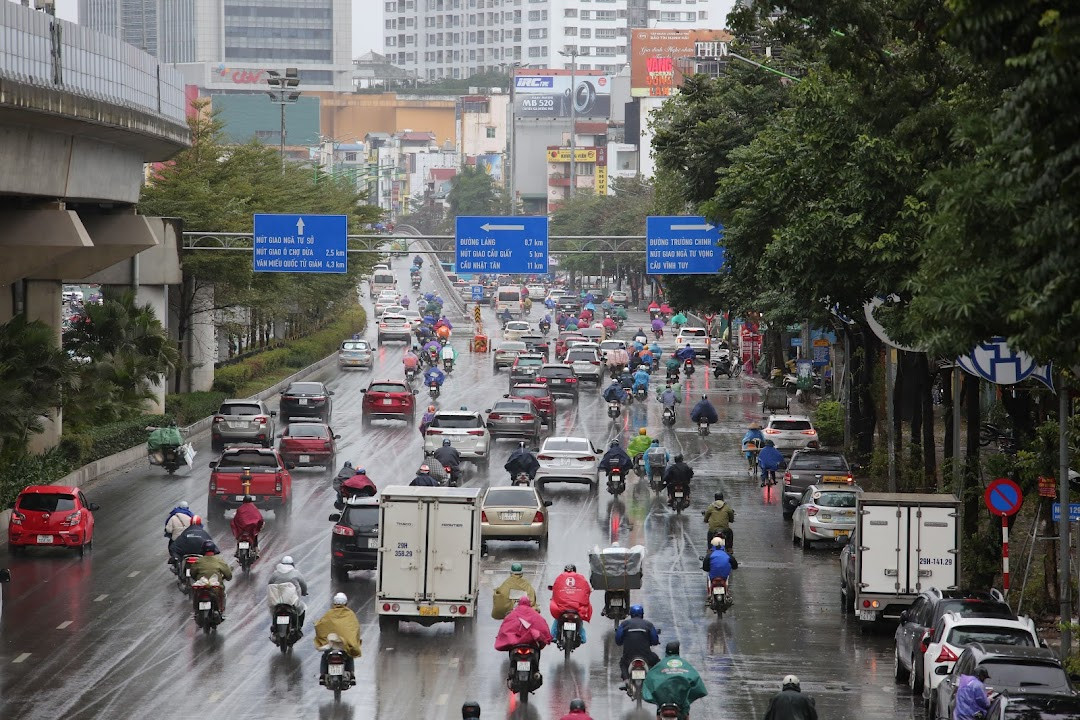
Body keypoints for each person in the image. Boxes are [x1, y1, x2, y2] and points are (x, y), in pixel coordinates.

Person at [642, 641, 707, 717]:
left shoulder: (659, 665)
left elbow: (649, 679)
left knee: (659, 711)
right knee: (685, 713)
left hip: (663, 702)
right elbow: (696, 681)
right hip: (681, 704)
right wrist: (688, 698)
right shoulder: (685, 665)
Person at [315, 593, 362, 682]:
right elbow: (355, 628)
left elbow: (321, 626)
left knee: (325, 656)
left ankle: (322, 676)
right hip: (344, 646)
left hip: (331, 646)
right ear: (346, 603)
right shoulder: (350, 614)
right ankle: (352, 675)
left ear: (334, 602)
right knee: (349, 656)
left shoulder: (329, 614)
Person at [616, 604, 661, 687]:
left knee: (623, 663)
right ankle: (655, 681)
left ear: (631, 614)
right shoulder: (648, 624)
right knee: (657, 662)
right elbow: (655, 641)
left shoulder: (624, 624)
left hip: (629, 655)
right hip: (646, 655)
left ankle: (626, 680)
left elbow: (618, 640)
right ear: (642, 614)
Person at [549, 564, 593, 643]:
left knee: (557, 618)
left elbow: (556, 589)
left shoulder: (560, 578)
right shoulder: (580, 578)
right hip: (576, 609)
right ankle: (582, 638)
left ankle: (553, 636)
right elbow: (586, 589)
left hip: (563, 609)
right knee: (580, 621)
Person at [266, 555, 308, 636]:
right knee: (302, 608)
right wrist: (304, 592)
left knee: (274, 611)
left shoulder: (275, 573)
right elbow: (303, 584)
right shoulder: (296, 573)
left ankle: (274, 626)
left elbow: (270, 584)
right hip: (291, 600)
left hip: (277, 600)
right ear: (292, 564)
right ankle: (299, 627)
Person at [191, 541, 233, 615]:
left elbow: (192, 573)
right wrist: (225, 577)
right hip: (215, 589)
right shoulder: (219, 560)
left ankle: (196, 611)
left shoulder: (198, 561)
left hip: (201, 588)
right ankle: (221, 610)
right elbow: (228, 575)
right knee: (222, 594)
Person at [703, 536, 736, 601]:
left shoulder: (710, 555)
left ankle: (709, 594)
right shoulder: (727, 555)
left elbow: (705, 568)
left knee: (708, 578)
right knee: (727, 578)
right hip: (724, 576)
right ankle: (727, 593)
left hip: (713, 576)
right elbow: (735, 565)